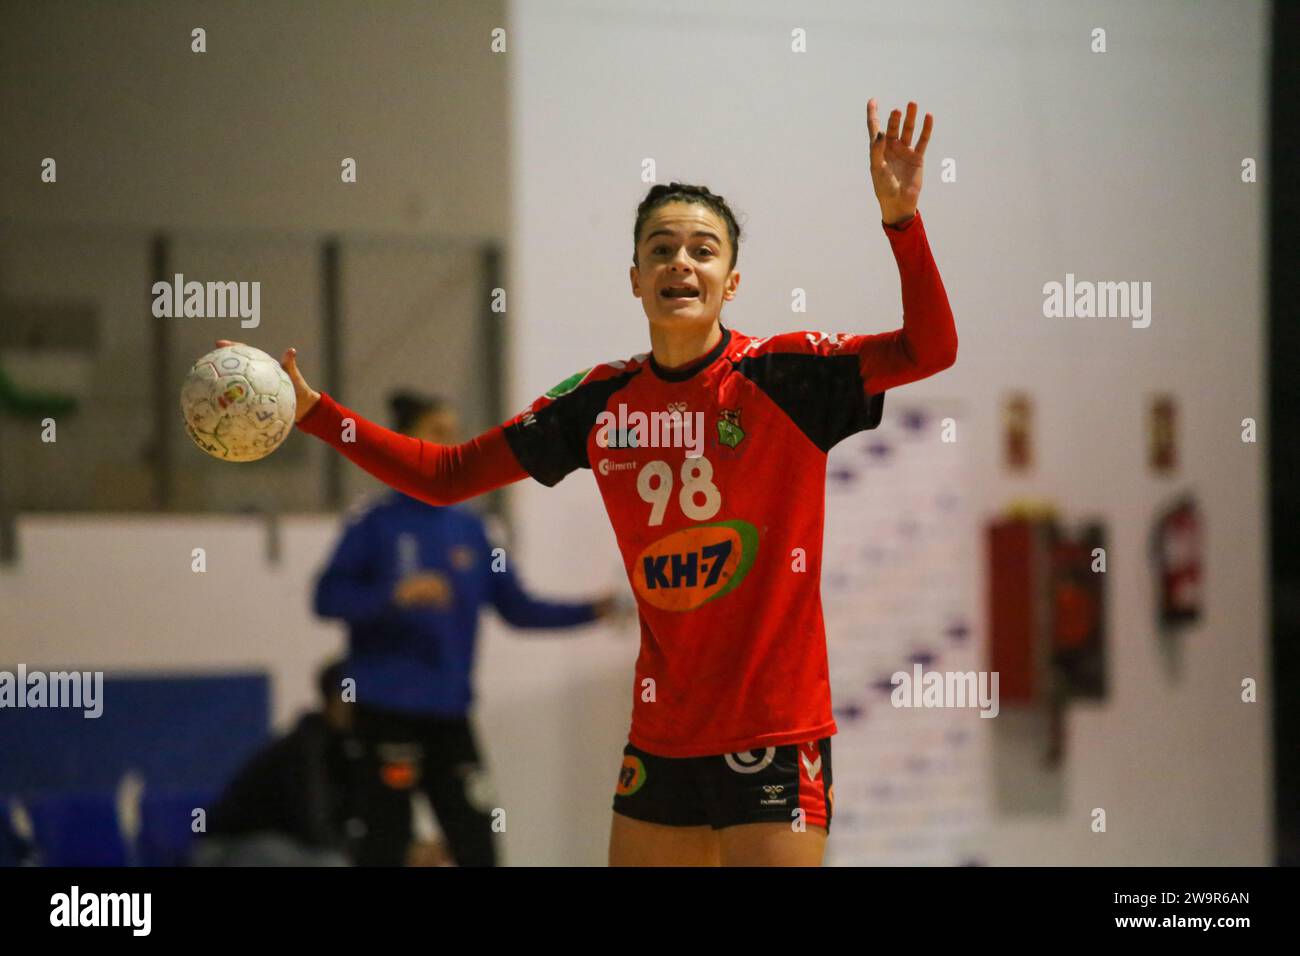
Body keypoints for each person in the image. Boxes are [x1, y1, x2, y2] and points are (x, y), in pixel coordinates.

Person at [222, 98, 957, 866]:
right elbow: (445, 475)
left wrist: (902, 221)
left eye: (703, 250)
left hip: (773, 732)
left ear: (730, 282)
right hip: (662, 738)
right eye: (662, 249)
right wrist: (315, 415)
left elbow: (931, 348)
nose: (682, 262)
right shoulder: (597, 403)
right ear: (635, 278)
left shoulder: (788, 376)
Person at [312, 391, 619, 867]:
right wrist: (393, 596)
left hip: (449, 713)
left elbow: (518, 609)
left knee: (477, 841)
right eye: (437, 433)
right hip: (384, 710)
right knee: (384, 845)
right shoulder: (374, 524)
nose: (449, 444)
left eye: (454, 434)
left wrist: (593, 611)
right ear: (404, 440)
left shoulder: (472, 530)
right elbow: (326, 599)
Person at [194, 659, 364, 866]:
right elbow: (312, 826)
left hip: (276, 845)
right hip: (226, 848)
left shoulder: (345, 749)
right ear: (336, 700)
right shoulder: (304, 749)